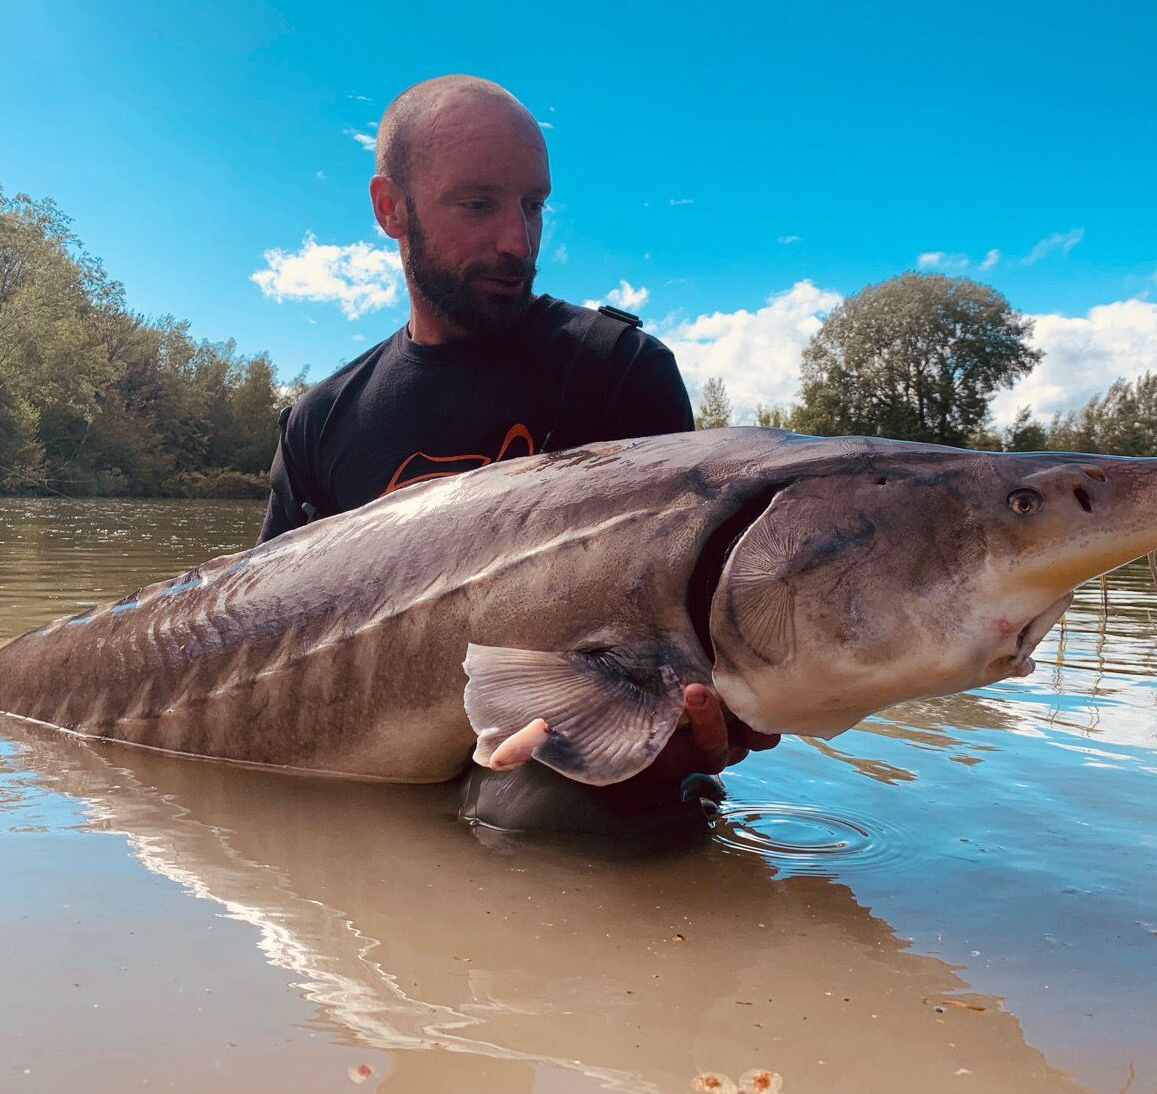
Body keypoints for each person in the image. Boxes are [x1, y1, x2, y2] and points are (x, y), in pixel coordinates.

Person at [259, 75, 776, 800]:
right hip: (376, 779)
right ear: (390, 208)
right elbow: (256, 640)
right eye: (479, 204)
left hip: (560, 792)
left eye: (534, 206)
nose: (517, 240)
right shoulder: (319, 422)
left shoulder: (619, 371)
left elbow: (678, 665)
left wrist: (682, 742)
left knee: (535, 804)